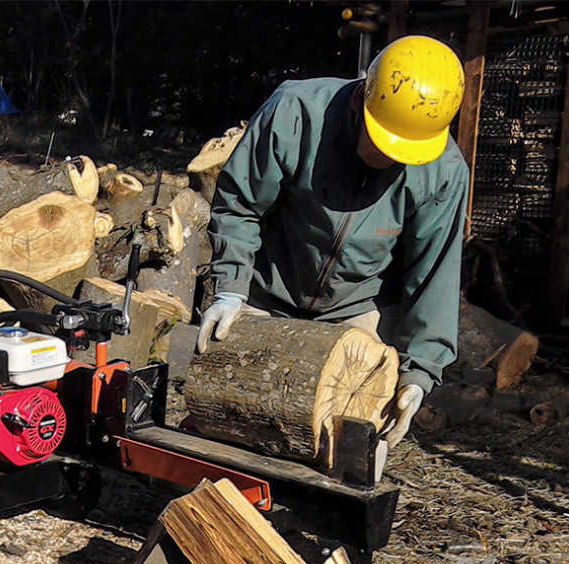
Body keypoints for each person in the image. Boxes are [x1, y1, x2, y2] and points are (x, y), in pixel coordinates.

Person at [196, 35, 468, 448]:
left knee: (345, 449)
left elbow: (435, 275)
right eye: (380, 141)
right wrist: (230, 288)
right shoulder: (296, 112)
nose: (389, 157)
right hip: (266, 290)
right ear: (362, 98)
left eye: (402, 153)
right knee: (229, 424)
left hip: (358, 310)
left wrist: (420, 373)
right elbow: (239, 204)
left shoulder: (444, 172)